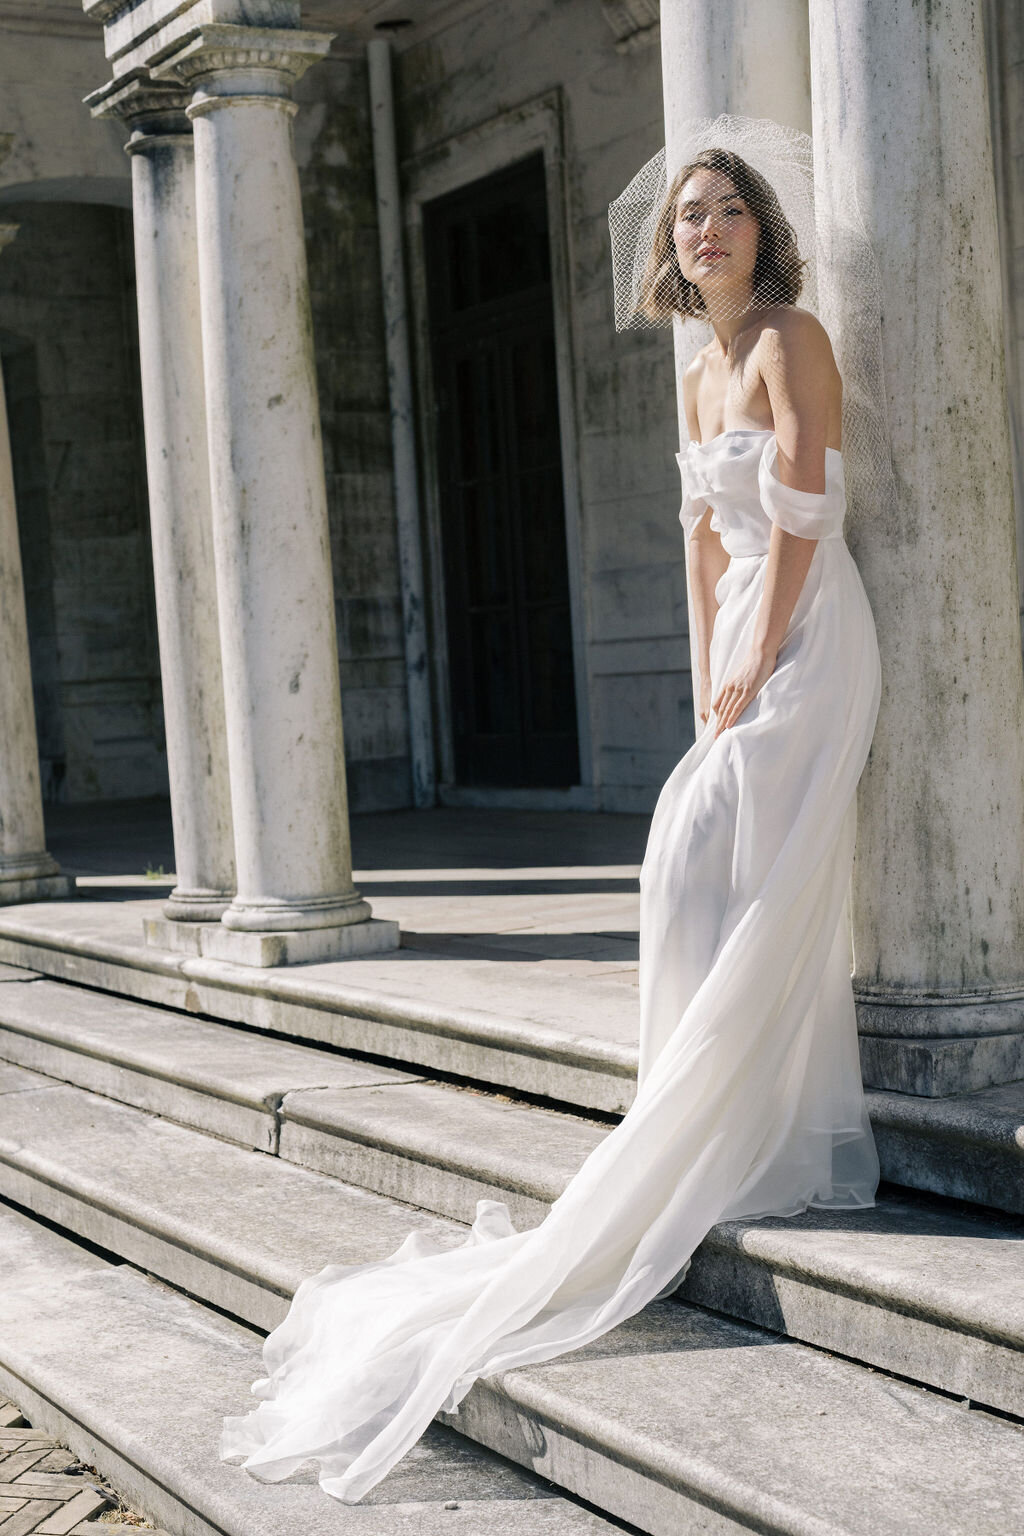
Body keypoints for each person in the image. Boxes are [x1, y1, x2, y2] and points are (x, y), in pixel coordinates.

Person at [219, 140, 883, 1508]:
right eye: (689, 215)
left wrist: (762, 650)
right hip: (748, 640)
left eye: (728, 209)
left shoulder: (790, 336)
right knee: (687, 868)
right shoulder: (696, 365)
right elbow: (703, 534)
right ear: (670, 247)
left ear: (765, 232)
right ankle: (708, 1115)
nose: (706, 229)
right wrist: (709, 660)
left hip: (817, 633)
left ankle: (735, 1131)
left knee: (732, 867)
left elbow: (807, 504)